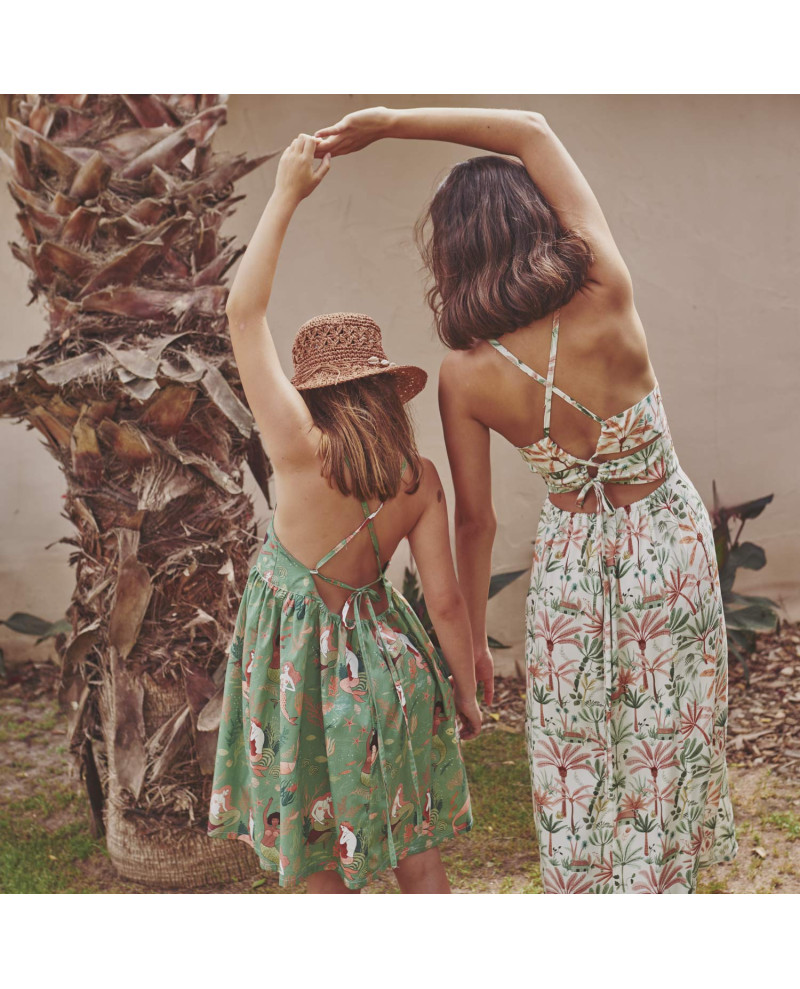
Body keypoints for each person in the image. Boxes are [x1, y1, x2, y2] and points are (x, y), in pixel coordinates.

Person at [314, 106, 738, 894]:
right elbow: (531, 131)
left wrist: (473, 647)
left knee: (577, 757)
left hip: (570, 568)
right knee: (664, 741)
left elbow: (476, 522)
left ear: (454, 253)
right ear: (534, 221)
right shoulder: (607, 293)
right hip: (669, 547)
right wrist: (392, 122)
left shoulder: (465, 377)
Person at [207, 134, 480, 894]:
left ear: (313, 393)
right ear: (386, 390)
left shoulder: (297, 447)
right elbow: (446, 600)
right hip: (390, 675)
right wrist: (462, 689)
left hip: (300, 681)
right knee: (415, 850)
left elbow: (242, 312)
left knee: (318, 853)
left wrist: (286, 192)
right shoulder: (419, 479)